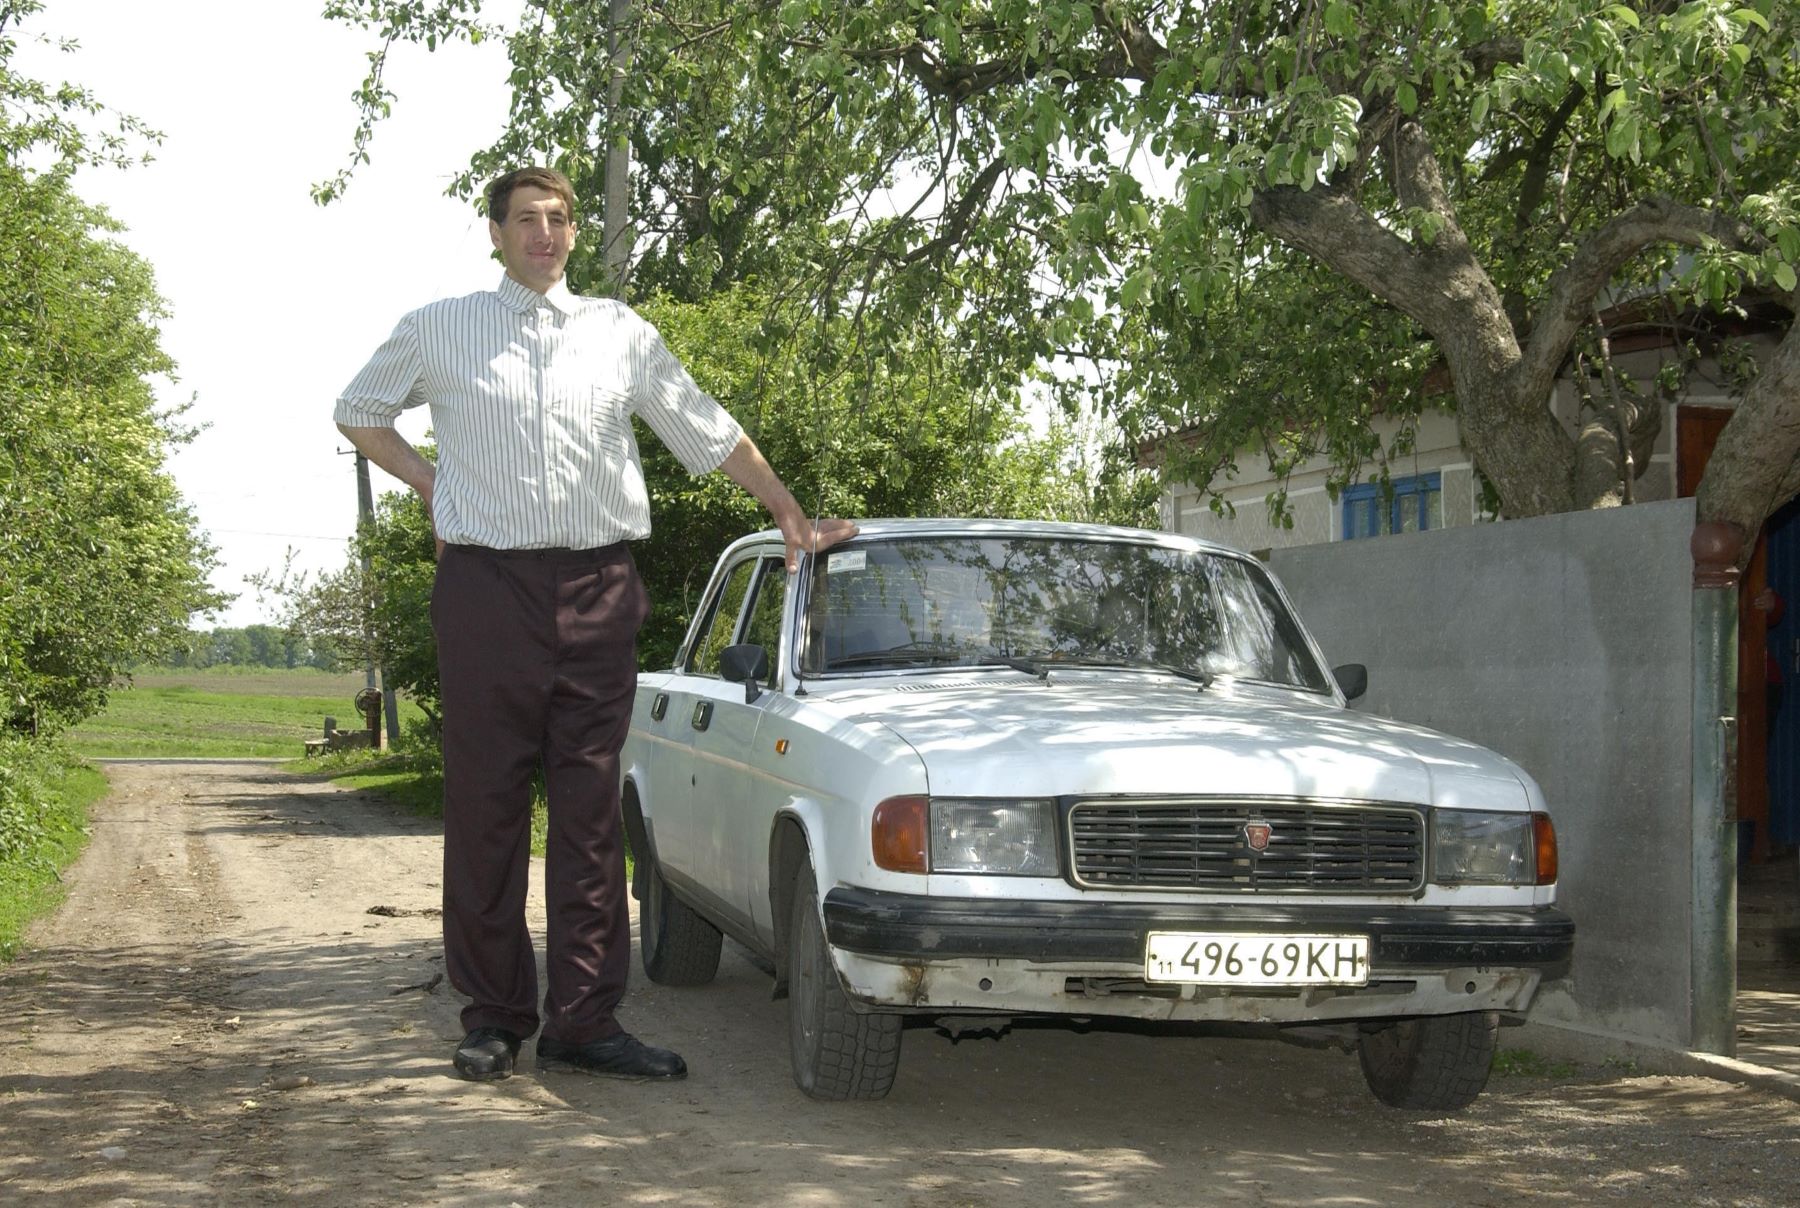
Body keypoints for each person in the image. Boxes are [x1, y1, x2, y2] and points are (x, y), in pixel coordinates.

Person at [334, 166, 856, 1083]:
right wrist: (435, 489)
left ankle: (584, 1021)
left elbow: (705, 427)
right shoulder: (440, 328)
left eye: (561, 218)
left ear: (575, 233)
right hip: (486, 590)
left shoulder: (621, 333)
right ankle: (495, 1015)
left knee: (588, 818)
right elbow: (359, 412)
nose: (546, 233)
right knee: (488, 807)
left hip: (599, 589)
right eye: (527, 219)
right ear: (494, 232)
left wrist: (788, 514)